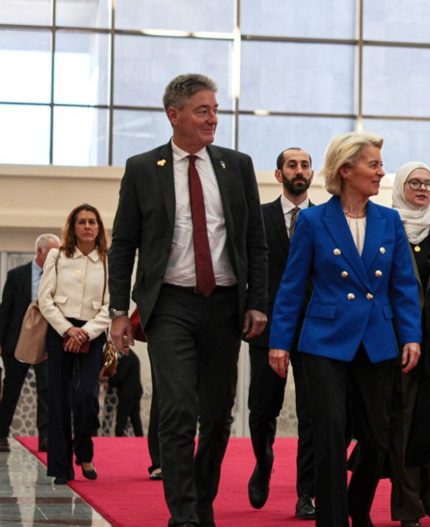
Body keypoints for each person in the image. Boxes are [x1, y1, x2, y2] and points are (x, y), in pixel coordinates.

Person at [108, 73, 268, 526]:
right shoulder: (143, 169)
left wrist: (257, 301)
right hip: (169, 306)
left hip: (224, 304)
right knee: (178, 409)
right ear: (174, 115)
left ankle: (201, 501)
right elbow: (123, 245)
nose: (213, 118)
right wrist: (118, 311)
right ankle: (183, 516)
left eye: (215, 110)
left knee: (217, 417)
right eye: (203, 111)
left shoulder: (237, 166)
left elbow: (255, 243)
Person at [268, 131, 422, 527]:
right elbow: (291, 285)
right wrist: (279, 342)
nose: (381, 172)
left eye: (381, 165)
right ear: (346, 170)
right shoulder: (313, 221)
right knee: (330, 434)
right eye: (373, 164)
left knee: (377, 437)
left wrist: (411, 336)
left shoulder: (389, 220)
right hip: (324, 342)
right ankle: (333, 520)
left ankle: (357, 505)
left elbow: (404, 285)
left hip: (377, 340)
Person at [246, 147, 317, 520]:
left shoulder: (324, 218)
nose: (299, 170)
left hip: (314, 330)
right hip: (268, 325)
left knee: (312, 414)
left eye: (305, 165)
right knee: (261, 410)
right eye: (292, 165)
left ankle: (307, 492)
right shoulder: (258, 217)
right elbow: (247, 268)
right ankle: (263, 461)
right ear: (279, 174)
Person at [388, 161, 430, 527]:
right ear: (400, 186)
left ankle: (429, 486)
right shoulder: (386, 225)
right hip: (398, 342)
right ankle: (407, 504)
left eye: (428, 183)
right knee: (404, 424)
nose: (423, 189)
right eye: (415, 183)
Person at [38, 204, 111, 485]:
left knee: (87, 396)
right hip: (60, 331)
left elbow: (110, 305)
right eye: (82, 222)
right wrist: (67, 329)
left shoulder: (107, 259)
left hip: (92, 334)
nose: (87, 226)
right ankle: (61, 467)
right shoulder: (57, 256)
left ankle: (84, 451)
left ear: (99, 228)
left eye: (92, 221)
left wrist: (84, 333)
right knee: (58, 399)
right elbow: (45, 299)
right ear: (73, 227)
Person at [0, 233, 59, 453]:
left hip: (47, 342)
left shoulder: (59, 276)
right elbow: (5, 311)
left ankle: (45, 437)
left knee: (47, 389)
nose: (56, 257)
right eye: (52, 252)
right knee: (11, 389)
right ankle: (1, 434)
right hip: (18, 342)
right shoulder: (17, 275)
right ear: (39, 251)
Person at [107, 348, 144, 437]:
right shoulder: (133, 356)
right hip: (135, 392)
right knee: (135, 418)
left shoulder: (127, 357)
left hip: (128, 394)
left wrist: (109, 383)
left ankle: (118, 439)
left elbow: (120, 376)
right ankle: (141, 440)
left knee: (121, 419)